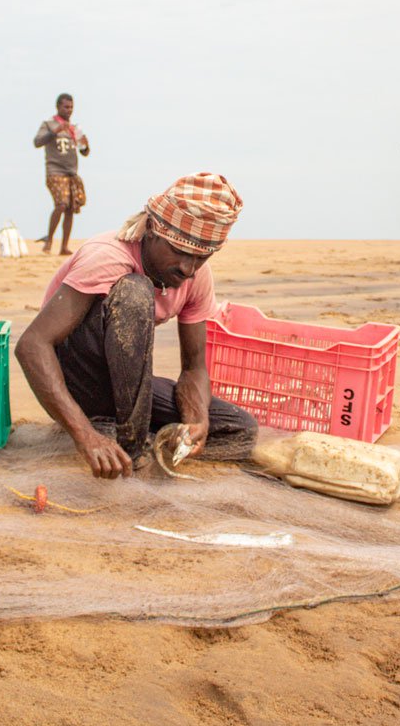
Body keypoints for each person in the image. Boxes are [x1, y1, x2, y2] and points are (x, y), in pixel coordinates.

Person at [15, 172, 258, 479]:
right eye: (180, 252)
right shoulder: (108, 257)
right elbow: (32, 346)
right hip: (77, 380)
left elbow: (194, 368)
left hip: (128, 385)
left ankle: (127, 436)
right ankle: (129, 447)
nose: (188, 268)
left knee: (239, 430)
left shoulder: (196, 276)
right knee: (134, 291)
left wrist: (197, 421)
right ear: (154, 230)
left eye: (201, 257)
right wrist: (84, 436)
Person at [33, 93, 90, 255]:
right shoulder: (49, 124)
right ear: (58, 107)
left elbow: (84, 151)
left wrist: (85, 145)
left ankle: (64, 246)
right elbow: (37, 142)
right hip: (55, 171)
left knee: (71, 208)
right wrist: (54, 132)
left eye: (71, 107)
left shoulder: (74, 129)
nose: (69, 110)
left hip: (72, 173)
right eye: (66, 107)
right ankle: (49, 240)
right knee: (61, 204)